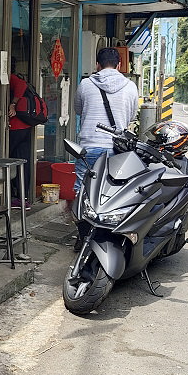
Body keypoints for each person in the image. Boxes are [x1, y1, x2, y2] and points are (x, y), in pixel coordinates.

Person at [72, 47, 139, 248]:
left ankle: (84, 237)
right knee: (113, 193)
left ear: (97, 65)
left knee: (83, 192)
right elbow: (131, 116)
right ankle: (107, 237)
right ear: (119, 65)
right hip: (117, 150)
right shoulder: (130, 86)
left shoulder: (86, 84)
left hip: (89, 148)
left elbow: (78, 109)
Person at [8, 57, 33, 209]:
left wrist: (12, 104)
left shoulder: (10, 77)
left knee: (7, 160)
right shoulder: (17, 76)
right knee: (23, 161)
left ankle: (10, 196)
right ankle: (23, 197)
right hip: (25, 127)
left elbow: (21, 86)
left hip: (16, 127)